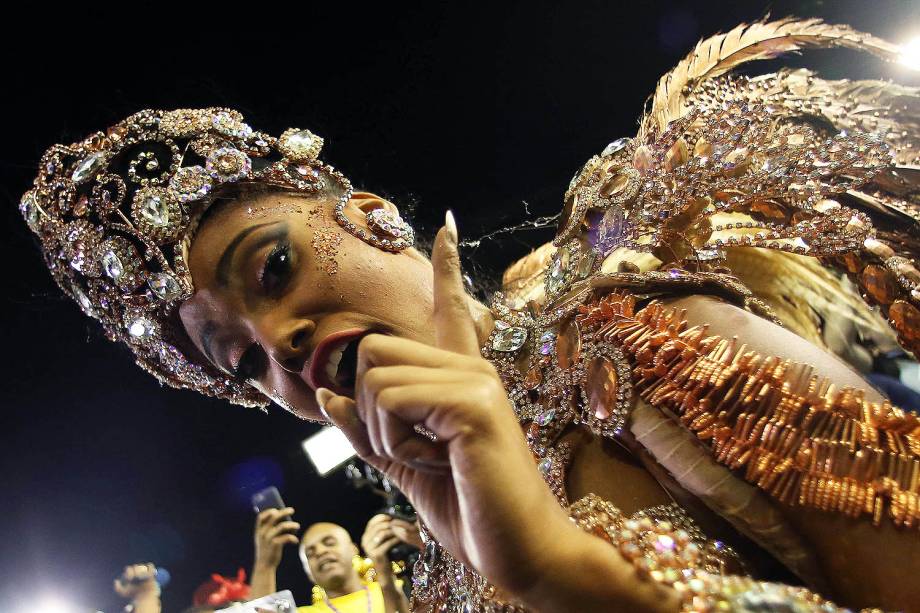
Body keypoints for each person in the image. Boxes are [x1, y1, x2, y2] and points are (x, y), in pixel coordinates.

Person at [19, 16, 920, 611]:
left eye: (274, 265)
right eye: (245, 364)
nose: (278, 342)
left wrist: (571, 578)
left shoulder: (631, 349)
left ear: (371, 215)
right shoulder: (431, 566)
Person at [251, 508, 411, 613]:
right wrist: (265, 564)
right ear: (308, 572)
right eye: (310, 554)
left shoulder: (399, 587)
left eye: (329, 543)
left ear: (353, 549)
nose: (320, 552)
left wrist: (386, 580)